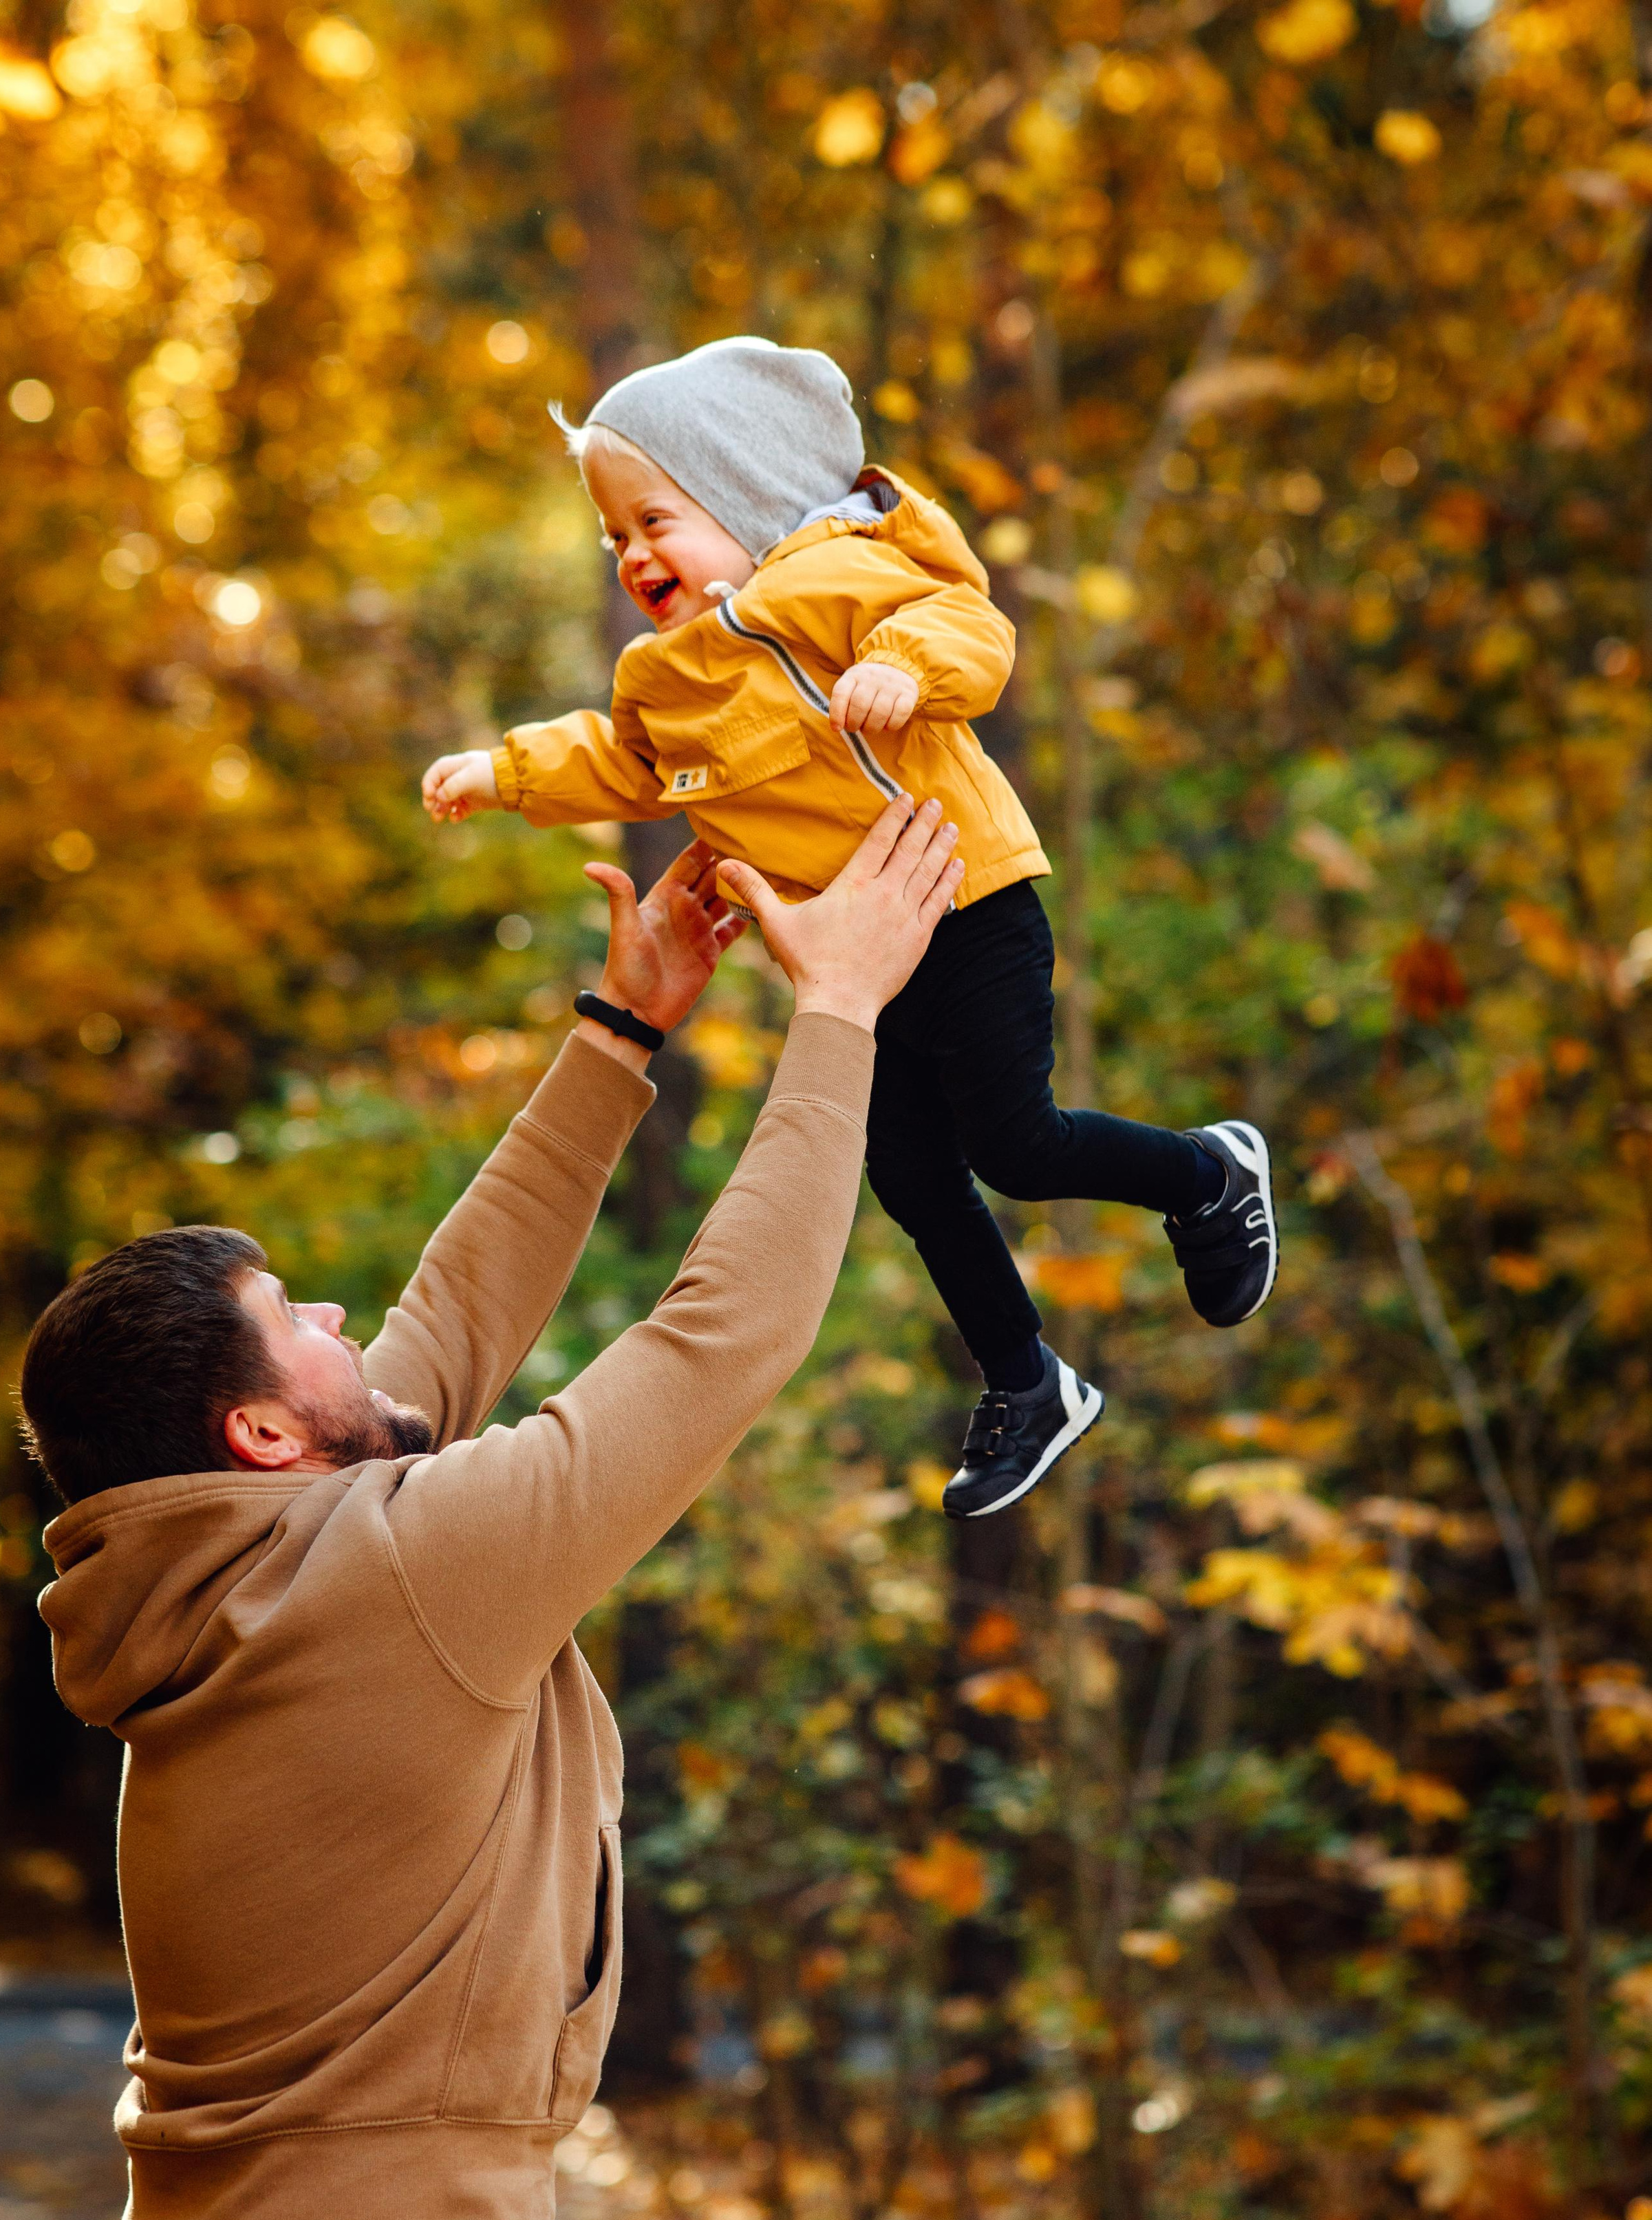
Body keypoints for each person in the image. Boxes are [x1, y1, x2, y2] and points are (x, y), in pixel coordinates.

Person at [21, 798, 963, 2220]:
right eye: (301, 1319)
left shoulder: (229, 1574)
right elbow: (713, 1346)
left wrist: (622, 1038)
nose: (353, 1316)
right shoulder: (392, 1577)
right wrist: (837, 1013)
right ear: (263, 1439)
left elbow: (442, 1334)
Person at [422, 335, 1278, 1521]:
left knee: (1015, 1145)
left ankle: (1208, 1171)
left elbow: (970, 628)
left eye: (655, 519)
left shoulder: (838, 577)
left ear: (747, 496)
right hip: (858, 962)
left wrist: (902, 666)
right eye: (614, 536)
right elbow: (619, 760)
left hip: (963, 898)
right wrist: (503, 770)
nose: (633, 555)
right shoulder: (663, 681)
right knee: (913, 1174)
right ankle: (1028, 1382)